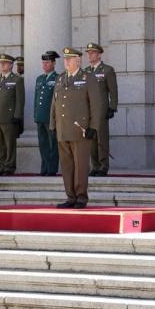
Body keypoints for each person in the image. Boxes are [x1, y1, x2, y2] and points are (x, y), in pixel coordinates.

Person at [51, 47, 104, 209]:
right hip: (63, 129)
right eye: (65, 59)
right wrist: (53, 125)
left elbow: (96, 105)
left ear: (78, 61)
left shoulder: (88, 78)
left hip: (80, 130)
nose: (66, 62)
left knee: (81, 165)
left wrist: (93, 127)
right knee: (66, 166)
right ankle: (70, 196)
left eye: (70, 59)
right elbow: (54, 104)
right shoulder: (60, 79)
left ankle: (81, 197)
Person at [0, 53, 24, 176]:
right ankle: (1, 166)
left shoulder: (17, 80)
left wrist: (17, 115)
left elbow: (20, 100)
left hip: (9, 117)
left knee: (9, 144)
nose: (2, 65)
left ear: (11, 65)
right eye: (1, 63)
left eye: (5, 63)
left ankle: (9, 166)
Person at [85, 42, 118, 177]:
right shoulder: (86, 71)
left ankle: (103, 166)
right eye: (88, 53)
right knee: (91, 139)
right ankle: (95, 165)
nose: (89, 55)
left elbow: (113, 91)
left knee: (101, 139)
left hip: (101, 110)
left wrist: (112, 107)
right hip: (89, 111)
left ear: (99, 55)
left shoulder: (107, 70)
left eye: (92, 52)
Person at [35, 51, 61, 176]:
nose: (44, 65)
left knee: (52, 145)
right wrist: (36, 115)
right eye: (43, 62)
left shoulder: (57, 78)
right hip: (40, 116)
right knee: (43, 144)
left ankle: (52, 168)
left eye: (47, 62)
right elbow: (36, 99)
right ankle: (44, 167)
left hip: (51, 118)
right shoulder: (40, 79)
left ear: (54, 63)